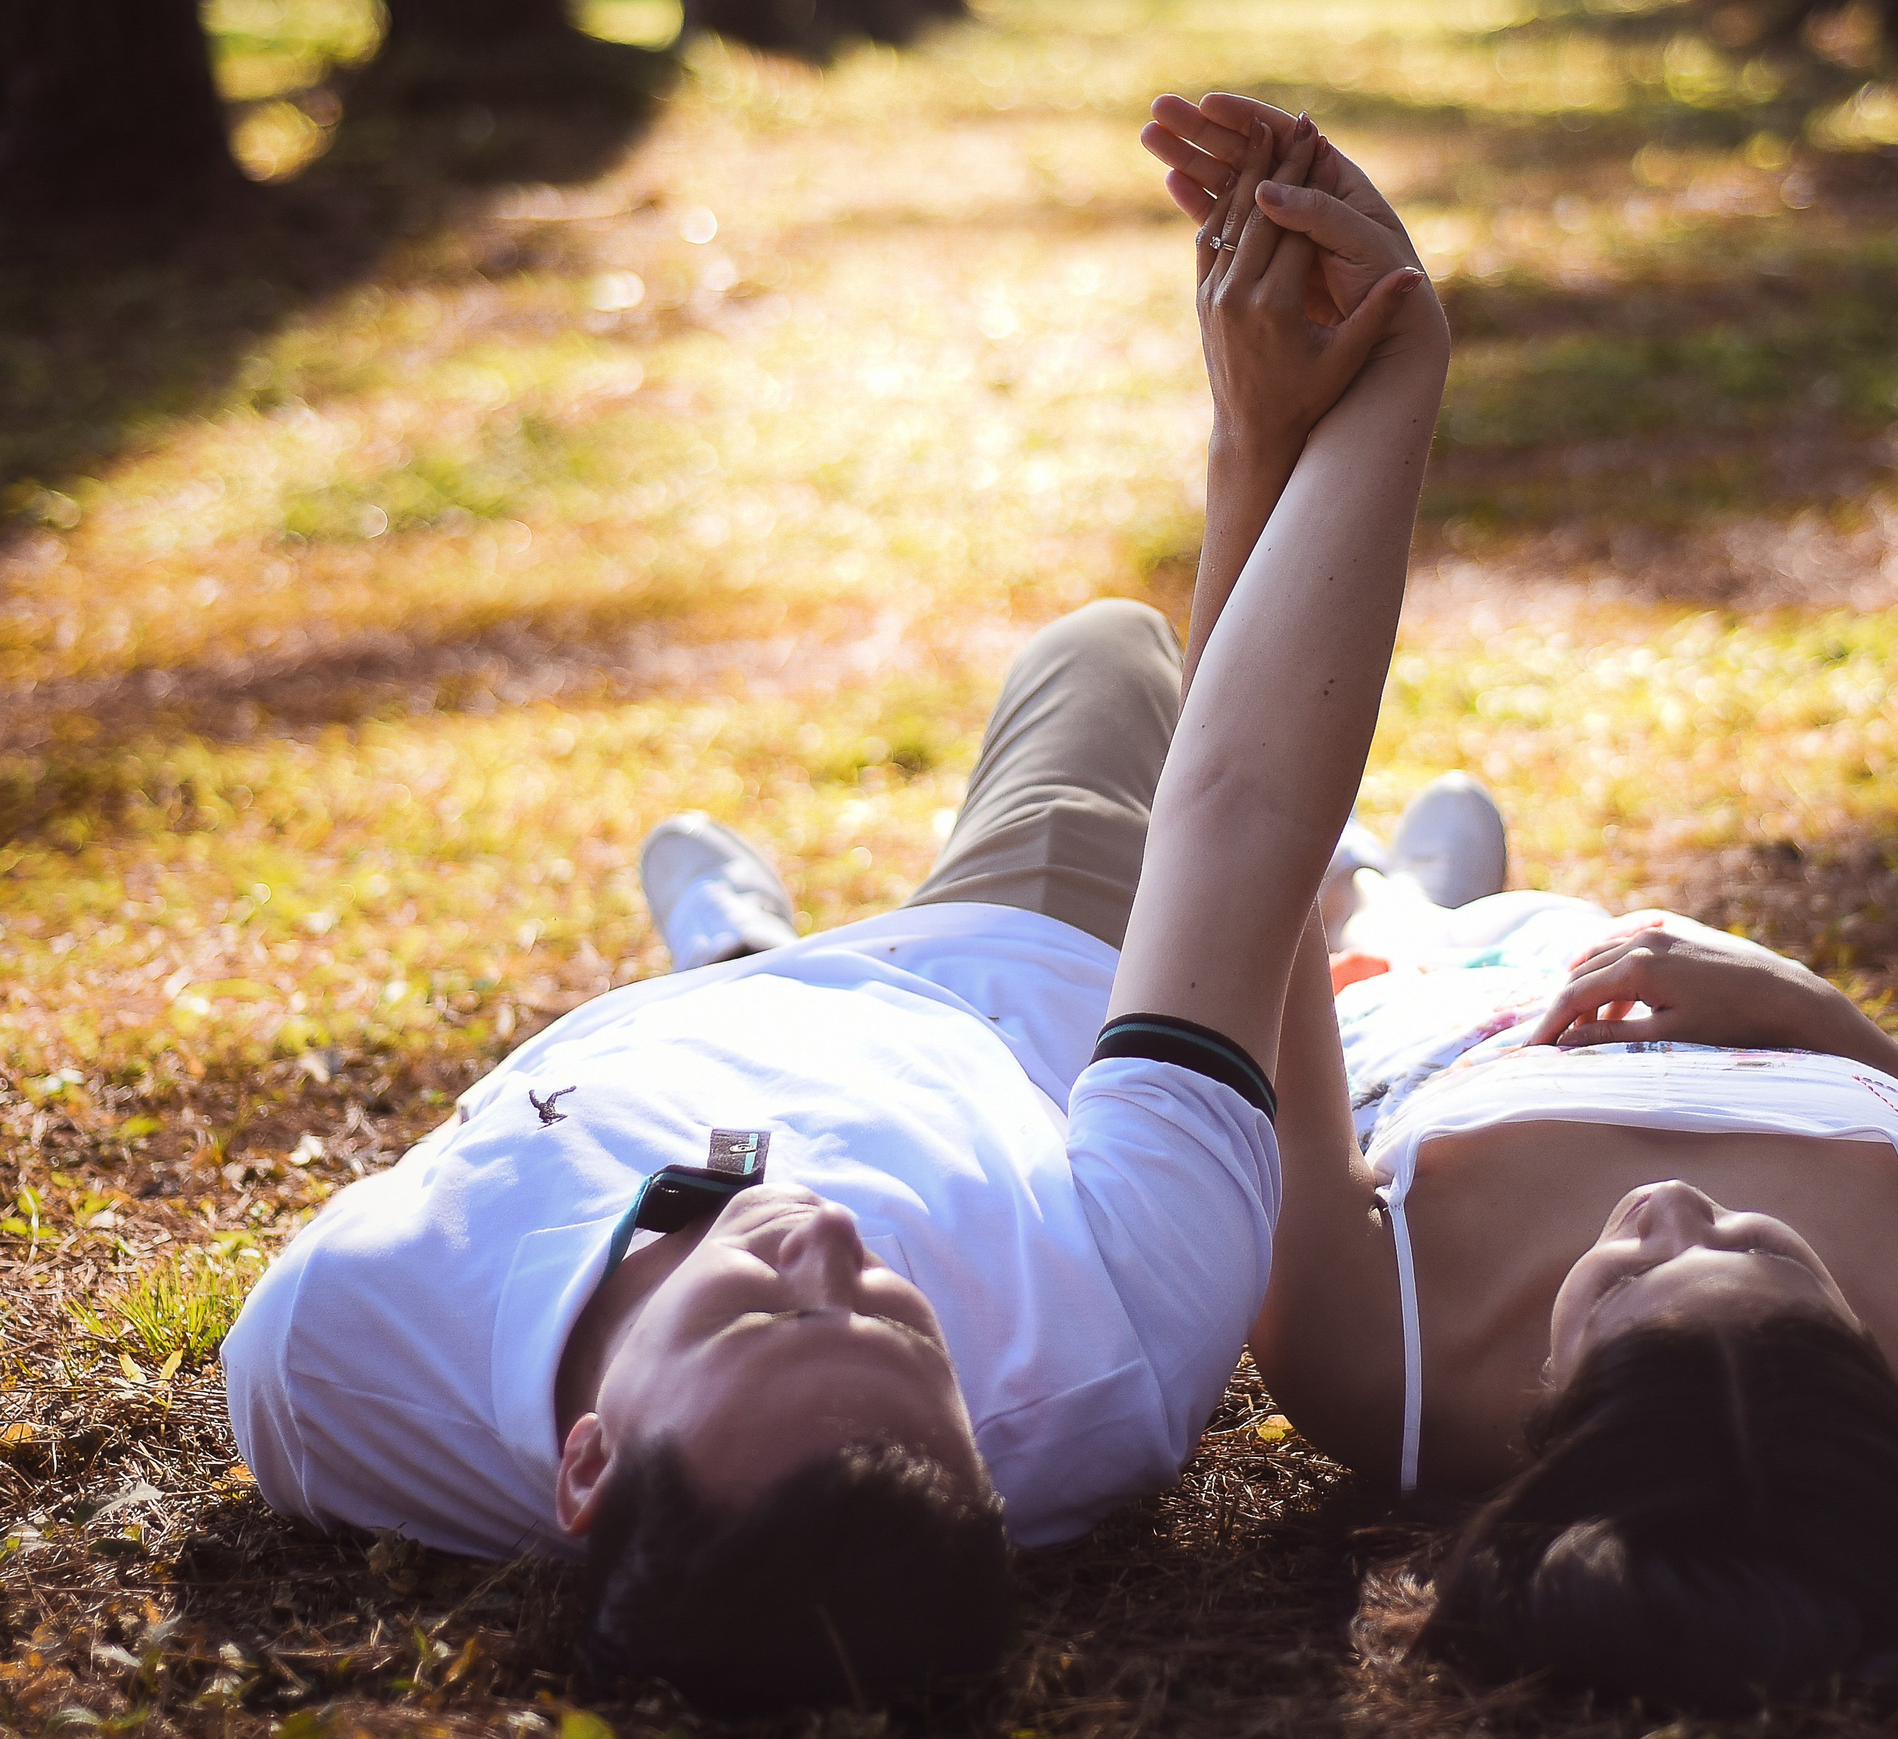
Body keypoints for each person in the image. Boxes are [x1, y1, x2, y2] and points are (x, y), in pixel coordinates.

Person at [222, 107, 1451, 1712]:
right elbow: (1237, 818)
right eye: (896, 1320)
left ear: (580, 1469)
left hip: (687, 1040)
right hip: (1015, 969)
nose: (822, 1244)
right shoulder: (1111, 1346)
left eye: (753, 1320)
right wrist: (1340, 393)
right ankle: (1416, 910)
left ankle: (735, 944)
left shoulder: (331, 1366)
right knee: (1111, 658)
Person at [1142, 93, 1898, 1713]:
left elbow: (1238, 854)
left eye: (1626, 1283)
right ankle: (1451, 888)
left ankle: (1419, 900)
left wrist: (1259, 440)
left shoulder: (1380, 1369)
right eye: (1756, 1255)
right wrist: (1812, 1021)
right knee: (1473, 897)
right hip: (1664, 973)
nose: (1676, 1211)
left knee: (1347, 909)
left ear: (1545, 1426)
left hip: (1412, 1025)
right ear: (1867, 1385)